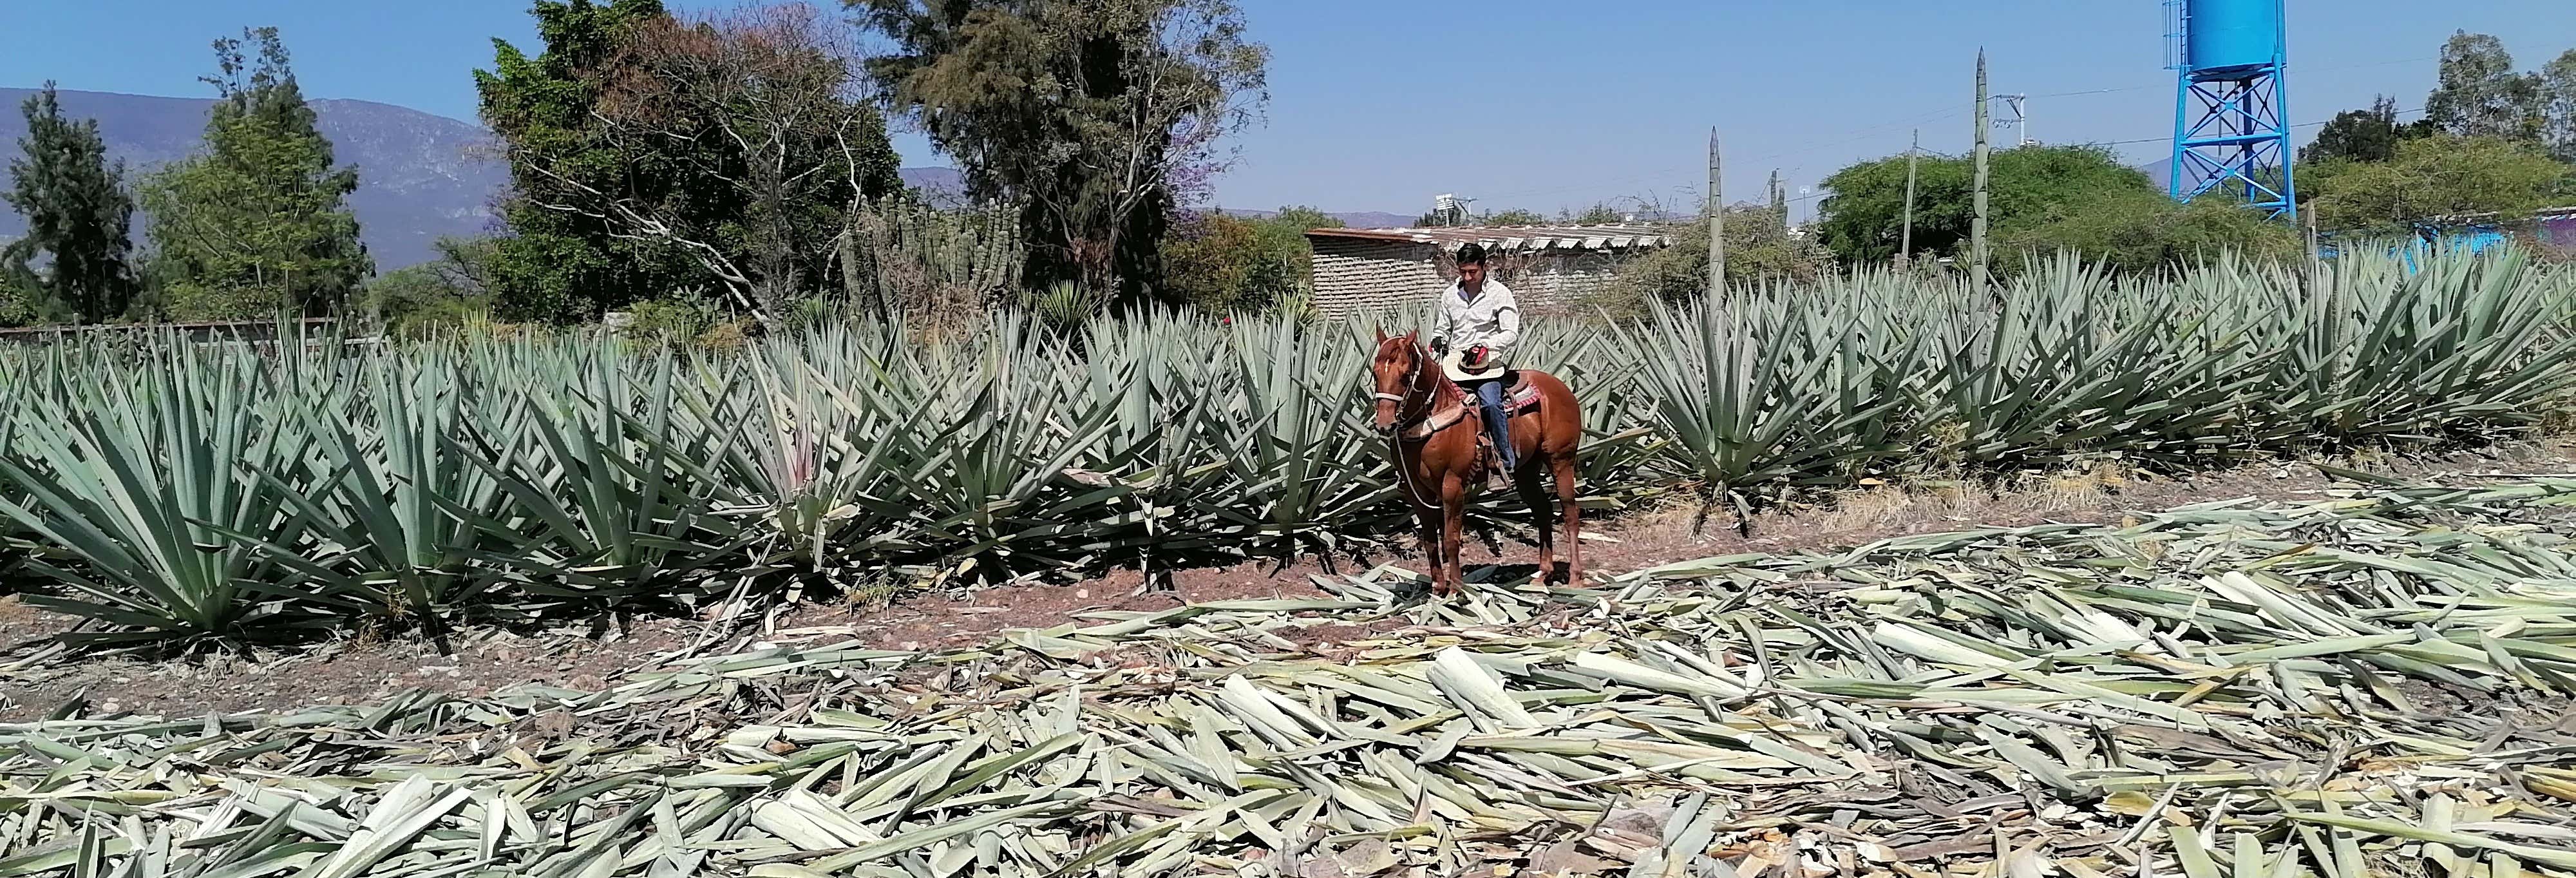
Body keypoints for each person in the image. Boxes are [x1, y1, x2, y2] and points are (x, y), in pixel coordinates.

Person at [1426, 242, 1520, 490]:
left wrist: (1486, 345)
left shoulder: (1500, 293)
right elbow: (1443, 327)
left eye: (1473, 272)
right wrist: (1439, 338)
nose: (1467, 277)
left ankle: (1503, 462)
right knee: (1432, 404)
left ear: (1484, 267)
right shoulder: (1450, 295)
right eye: (1463, 272)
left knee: (1490, 404)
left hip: (1487, 365)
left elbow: (1511, 333)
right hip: (1455, 365)